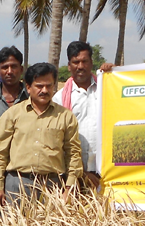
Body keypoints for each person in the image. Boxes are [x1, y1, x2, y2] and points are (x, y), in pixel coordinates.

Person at [0, 62, 82, 207]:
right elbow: (0, 154)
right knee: (15, 223)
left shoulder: (66, 116)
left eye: (49, 86)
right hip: (17, 184)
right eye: (39, 86)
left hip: (52, 186)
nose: (44, 90)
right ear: (28, 87)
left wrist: (69, 187)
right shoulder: (12, 115)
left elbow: (73, 154)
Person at [52, 41, 114, 189]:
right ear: (69, 65)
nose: (80, 66)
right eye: (76, 62)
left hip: (108, 170)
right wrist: (81, 173)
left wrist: (116, 75)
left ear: (91, 63)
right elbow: (57, 140)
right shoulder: (59, 99)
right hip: (75, 175)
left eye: (84, 61)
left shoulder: (107, 89)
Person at [0, 46, 28, 123]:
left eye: (14, 67)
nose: (9, 71)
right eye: (5, 67)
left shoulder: (32, 98)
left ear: (21, 69)